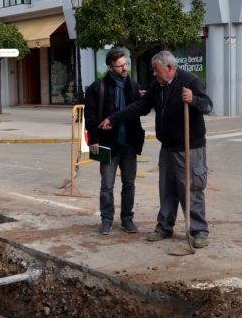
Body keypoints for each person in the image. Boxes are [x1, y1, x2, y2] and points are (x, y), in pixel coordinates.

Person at [100, 50, 213, 248]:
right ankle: (164, 227)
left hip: (189, 147)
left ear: (169, 68)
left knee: (191, 189)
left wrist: (193, 99)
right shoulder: (157, 86)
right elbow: (140, 106)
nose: (154, 74)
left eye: (156, 70)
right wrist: (113, 118)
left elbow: (208, 105)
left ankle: (198, 231)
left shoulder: (189, 81)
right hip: (167, 148)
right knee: (167, 189)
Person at [83, 49, 145, 235]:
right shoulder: (98, 86)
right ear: (110, 67)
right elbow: (90, 115)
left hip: (129, 143)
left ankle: (127, 219)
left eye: (126, 64)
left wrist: (144, 100)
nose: (125, 68)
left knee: (129, 183)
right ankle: (106, 220)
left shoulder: (133, 86)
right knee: (107, 185)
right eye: (120, 66)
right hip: (108, 143)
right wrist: (93, 138)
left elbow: (140, 111)